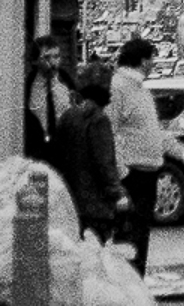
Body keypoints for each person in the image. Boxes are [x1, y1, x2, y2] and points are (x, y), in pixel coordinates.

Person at [110, 37, 165, 276]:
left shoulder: (141, 89)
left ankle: (135, 288)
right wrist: (121, 174)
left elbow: (153, 131)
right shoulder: (119, 87)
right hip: (132, 175)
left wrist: (183, 152)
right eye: (152, 58)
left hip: (146, 174)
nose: (154, 63)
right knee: (131, 239)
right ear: (143, 61)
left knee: (140, 237)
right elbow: (110, 133)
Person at [58, 62, 128, 242]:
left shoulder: (69, 116)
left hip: (72, 200)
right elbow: (104, 162)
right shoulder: (98, 119)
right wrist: (117, 193)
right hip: (96, 203)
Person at [25, 35, 77, 166]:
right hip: (37, 155)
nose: (53, 62)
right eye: (47, 57)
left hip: (66, 153)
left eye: (56, 56)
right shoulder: (27, 87)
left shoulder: (67, 84)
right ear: (35, 61)